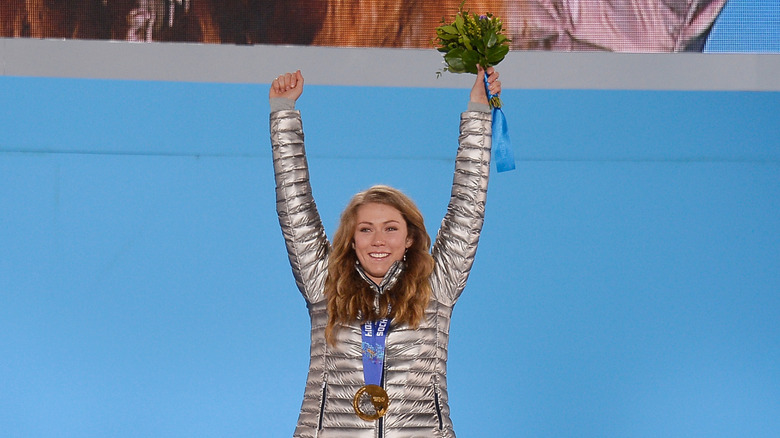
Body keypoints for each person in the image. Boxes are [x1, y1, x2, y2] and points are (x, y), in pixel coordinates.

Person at [269, 66, 500, 437]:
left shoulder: (436, 286)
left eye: (391, 229)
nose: (378, 240)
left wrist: (478, 111)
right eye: (366, 229)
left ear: (409, 238)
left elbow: (467, 208)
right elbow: (294, 206)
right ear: (351, 239)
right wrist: (284, 113)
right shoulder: (324, 284)